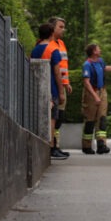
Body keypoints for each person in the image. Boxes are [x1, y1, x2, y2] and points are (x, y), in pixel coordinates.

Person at [80, 43, 111, 155]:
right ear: (93, 52)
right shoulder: (87, 65)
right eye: (98, 49)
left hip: (102, 91)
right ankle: (86, 146)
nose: (100, 50)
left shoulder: (100, 61)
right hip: (91, 92)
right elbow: (86, 83)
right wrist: (95, 96)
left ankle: (101, 144)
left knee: (102, 118)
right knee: (90, 120)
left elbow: (105, 68)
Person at [31, 23, 69, 160]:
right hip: (51, 88)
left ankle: (46, 146)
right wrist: (61, 92)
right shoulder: (53, 49)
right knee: (52, 119)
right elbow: (57, 73)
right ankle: (51, 147)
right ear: (52, 33)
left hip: (37, 87)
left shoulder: (36, 48)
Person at [48, 17, 71, 154]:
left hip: (62, 84)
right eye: (60, 27)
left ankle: (56, 145)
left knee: (59, 116)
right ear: (52, 28)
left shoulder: (61, 43)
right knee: (55, 116)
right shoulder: (49, 44)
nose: (63, 30)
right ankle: (53, 146)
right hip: (55, 85)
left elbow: (64, 66)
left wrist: (67, 83)